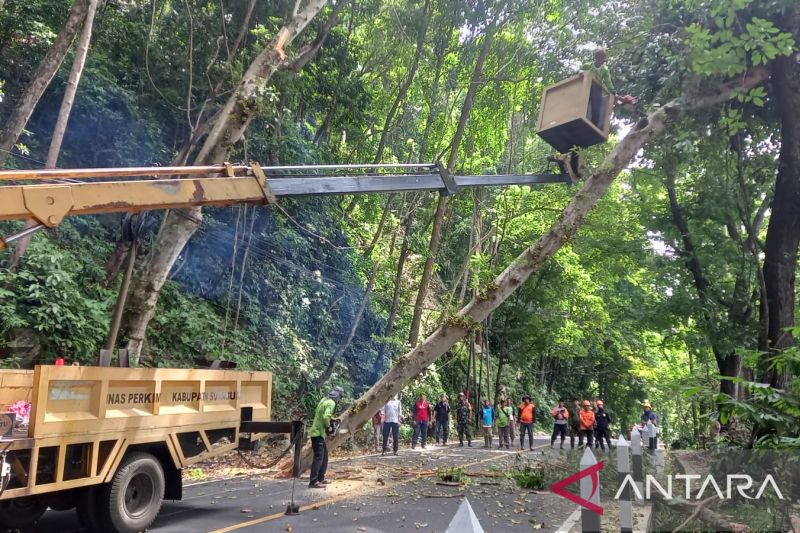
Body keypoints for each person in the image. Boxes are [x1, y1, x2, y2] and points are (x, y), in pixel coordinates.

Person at [309, 386, 343, 488]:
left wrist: (331, 419)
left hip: (317, 432)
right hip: (318, 433)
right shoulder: (331, 403)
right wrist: (329, 427)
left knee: (324, 457)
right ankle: (313, 482)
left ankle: (321, 478)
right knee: (319, 458)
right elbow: (325, 417)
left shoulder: (324, 400)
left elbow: (321, 414)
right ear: (338, 396)